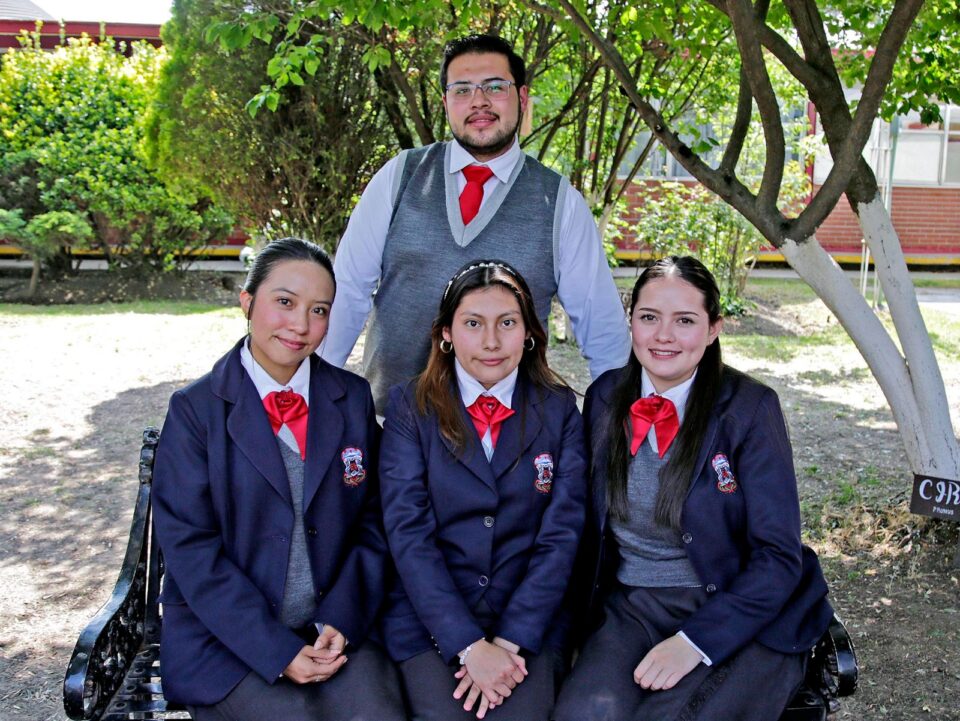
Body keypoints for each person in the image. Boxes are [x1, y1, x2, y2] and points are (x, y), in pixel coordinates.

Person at [553, 256, 834, 720]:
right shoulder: (605, 397)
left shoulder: (750, 409)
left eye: (684, 321)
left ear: (713, 328)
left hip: (739, 604)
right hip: (632, 603)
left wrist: (695, 642)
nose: (663, 335)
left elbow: (777, 556)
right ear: (631, 321)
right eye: (649, 317)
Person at [151, 238, 404, 721]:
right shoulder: (195, 411)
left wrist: (342, 617)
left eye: (319, 310)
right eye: (284, 302)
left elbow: (376, 518)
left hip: (335, 629)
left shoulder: (350, 398)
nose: (301, 325)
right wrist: (276, 650)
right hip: (228, 639)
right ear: (247, 302)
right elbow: (190, 548)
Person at [322, 33, 630, 412]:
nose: (478, 101)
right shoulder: (399, 177)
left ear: (522, 97)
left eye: (495, 87)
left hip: (512, 436)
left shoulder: (560, 203)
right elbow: (347, 292)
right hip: (390, 424)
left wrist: (617, 419)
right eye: (462, 89)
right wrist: (317, 391)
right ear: (445, 102)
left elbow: (602, 327)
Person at [378, 260, 587, 720]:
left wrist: (510, 641)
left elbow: (562, 535)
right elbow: (408, 533)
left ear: (528, 332)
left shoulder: (560, 410)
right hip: (432, 620)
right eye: (473, 324)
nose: (491, 341)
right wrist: (468, 644)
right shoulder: (410, 407)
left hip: (529, 620)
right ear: (446, 334)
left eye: (507, 323)